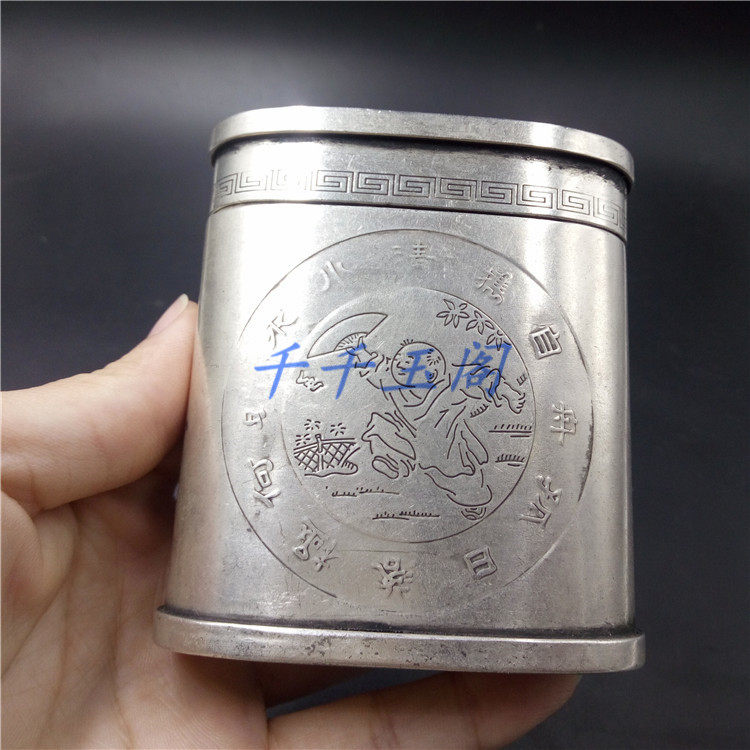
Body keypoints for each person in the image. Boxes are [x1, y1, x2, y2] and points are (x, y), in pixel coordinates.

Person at [1, 295, 578, 749]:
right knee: (385, 431)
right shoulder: (388, 390)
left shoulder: (450, 398)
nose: (415, 373)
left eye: (426, 366)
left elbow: (478, 392)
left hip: (447, 456)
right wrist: (350, 360)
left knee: (462, 473)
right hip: (404, 448)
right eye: (406, 365)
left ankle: (448, 478)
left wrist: (493, 395)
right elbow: (350, 369)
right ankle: (397, 460)